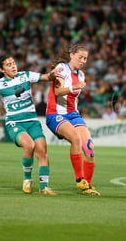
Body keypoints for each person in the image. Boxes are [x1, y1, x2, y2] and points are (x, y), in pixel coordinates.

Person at [0, 54, 59, 195]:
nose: (13, 66)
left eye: (14, 63)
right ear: (2, 70)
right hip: (15, 122)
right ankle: (27, 180)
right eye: (9, 64)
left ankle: (44, 187)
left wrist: (52, 73)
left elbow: (46, 77)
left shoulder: (25, 76)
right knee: (29, 145)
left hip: (32, 121)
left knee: (42, 150)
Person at [45, 44, 100, 195]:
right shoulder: (62, 68)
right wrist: (73, 87)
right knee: (76, 138)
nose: (83, 61)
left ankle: (87, 186)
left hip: (73, 114)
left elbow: (72, 100)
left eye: (85, 59)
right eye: (80, 57)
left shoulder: (81, 74)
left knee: (89, 147)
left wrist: (75, 88)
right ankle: (79, 180)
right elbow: (57, 92)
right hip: (55, 114)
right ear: (71, 55)